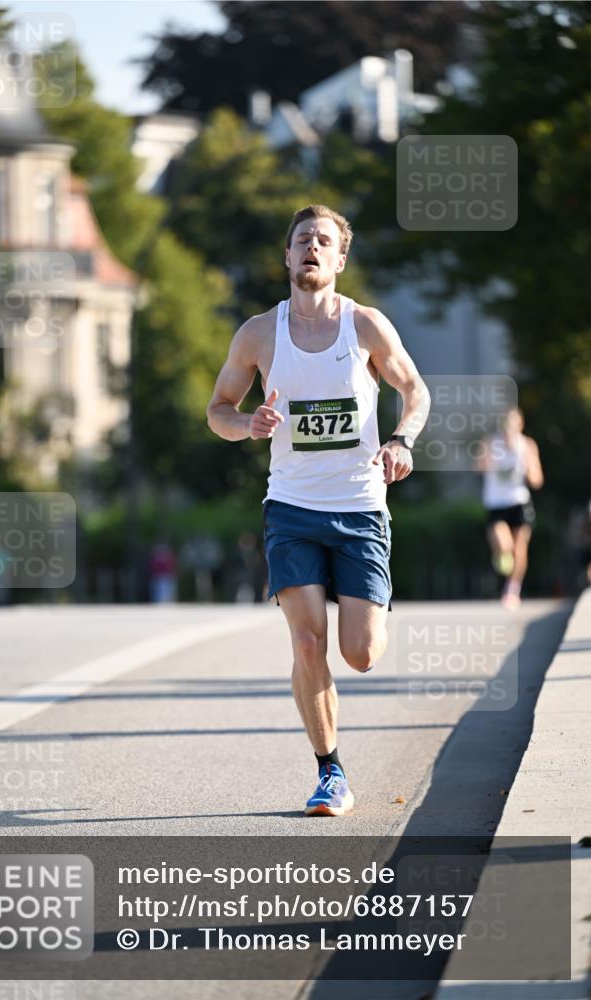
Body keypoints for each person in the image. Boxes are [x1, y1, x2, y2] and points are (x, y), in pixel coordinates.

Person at [206, 204, 430, 816]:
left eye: (322, 241)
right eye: (301, 239)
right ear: (286, 256)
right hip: (292, 508)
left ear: (338, 259)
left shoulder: (366, 327)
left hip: (360, 508)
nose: (311, 247)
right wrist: (247, 424)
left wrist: (402, 439)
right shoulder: (258, 333)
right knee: (308, 643)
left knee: (359, 653)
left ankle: (371, 600)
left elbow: (414, 389)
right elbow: (218, 409)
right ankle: (330, 772)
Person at [477, 407, 544, 608]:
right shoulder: (490, 443)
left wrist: (526, 462)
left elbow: (537, 480)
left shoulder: (527, 445)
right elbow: (479, 468)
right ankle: (502, 559)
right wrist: (487, 459)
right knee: (504, 544)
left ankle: (512, 589)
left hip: (519, 502)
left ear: (520, 424)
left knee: (519, 548)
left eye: (513, 422)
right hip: (496, 503)